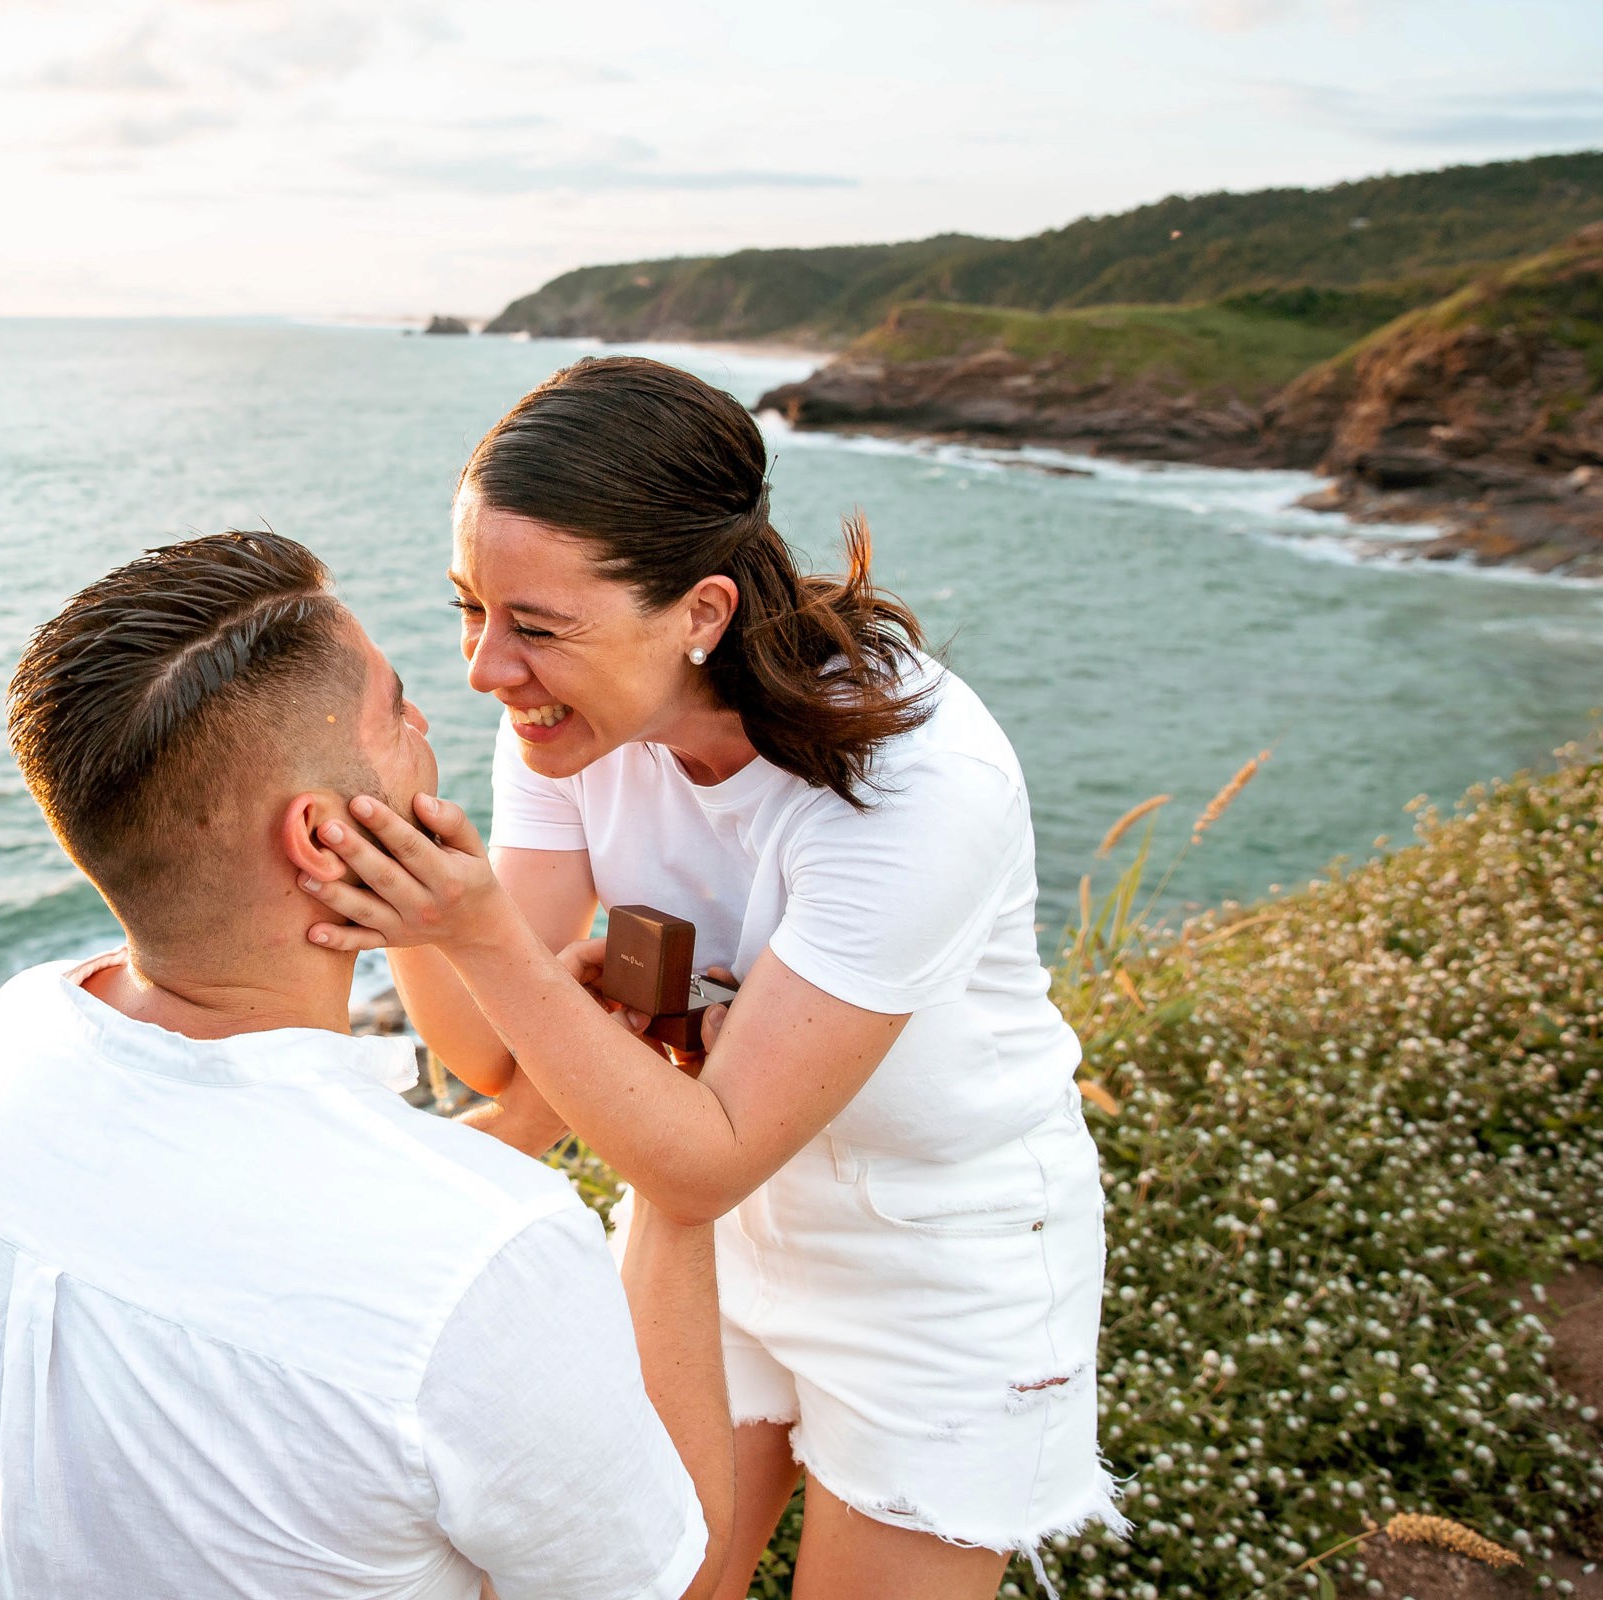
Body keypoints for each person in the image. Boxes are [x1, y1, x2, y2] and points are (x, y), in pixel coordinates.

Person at [297, 358, 1124, 1600]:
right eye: (469, 606)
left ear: (701, 612)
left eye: (535, 625)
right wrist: (410, 844)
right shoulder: (564, 721)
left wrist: (479, 933)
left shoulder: (915, 782)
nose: (484, 667)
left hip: (935, 1258)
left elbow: (707, 1149)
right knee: (649, 1584)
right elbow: (486, 1055)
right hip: (709, 1220)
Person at [0, 529, 736, 1600]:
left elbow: (274, 1230)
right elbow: (681, 1580)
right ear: (321, 839)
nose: (434, 721)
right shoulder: (488, 1258)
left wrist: (529, 1124)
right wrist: (667, 1170)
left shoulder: (13, 1045)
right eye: (396, 710)